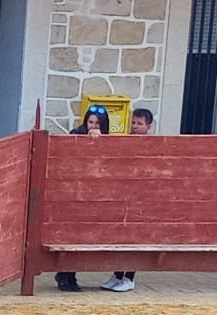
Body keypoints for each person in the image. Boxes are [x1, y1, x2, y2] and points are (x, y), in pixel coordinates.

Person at [55, 104, 111, 292]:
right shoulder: (75, 135)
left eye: (97, 123)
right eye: (90, 122)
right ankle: (64, 275)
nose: (93, 127)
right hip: (73, 193)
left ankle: (71, 275)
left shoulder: (108, 139)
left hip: (91, 195)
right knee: (70, 236)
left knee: (80, 237)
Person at [102, 108, 157, 293]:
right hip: (127, 195)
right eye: (133, 123)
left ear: (148, 126)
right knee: (121, 237)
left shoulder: (152, 145)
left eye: (139, 124)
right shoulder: (127, 141)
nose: (135, 127)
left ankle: (129, 277)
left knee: (134, 238)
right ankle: (118, 275)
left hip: (141, 197)